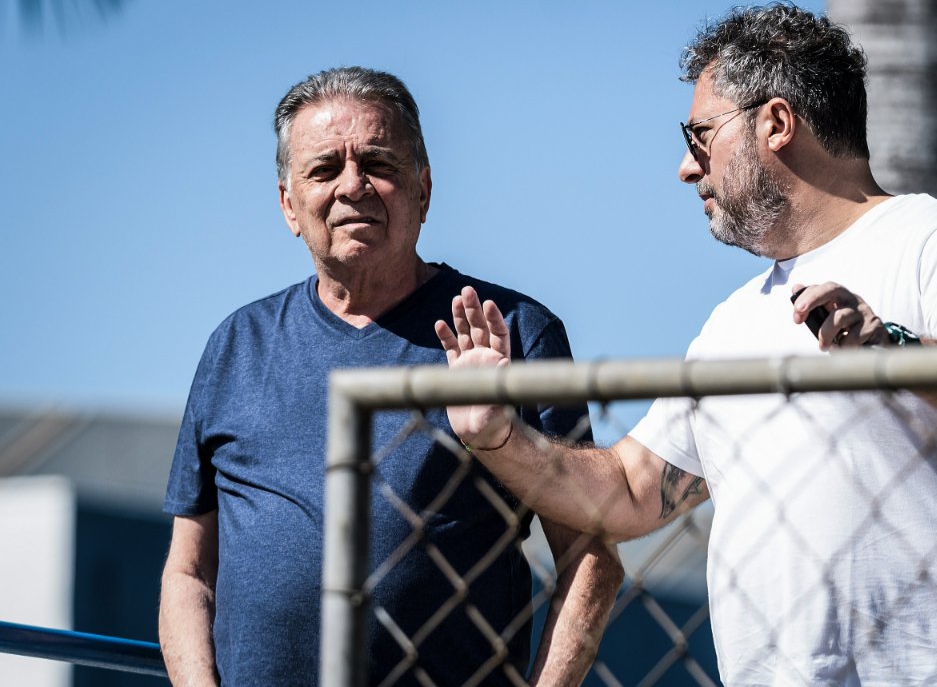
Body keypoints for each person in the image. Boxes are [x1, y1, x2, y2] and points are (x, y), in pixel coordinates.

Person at [436, 4, 937, 686]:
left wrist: (894, 350)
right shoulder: (730, 323)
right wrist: (497, 434)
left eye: (700, 134)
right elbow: (631, 493)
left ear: (776, 123)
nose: (685, 168)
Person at [158, 66, 623, 687]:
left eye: (378, 163)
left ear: (423, 191)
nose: (352, 185)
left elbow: (590, 556)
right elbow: (188, 572)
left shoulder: (512, 331)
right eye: (324, 169)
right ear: (288, 205)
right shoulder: (236, 346)